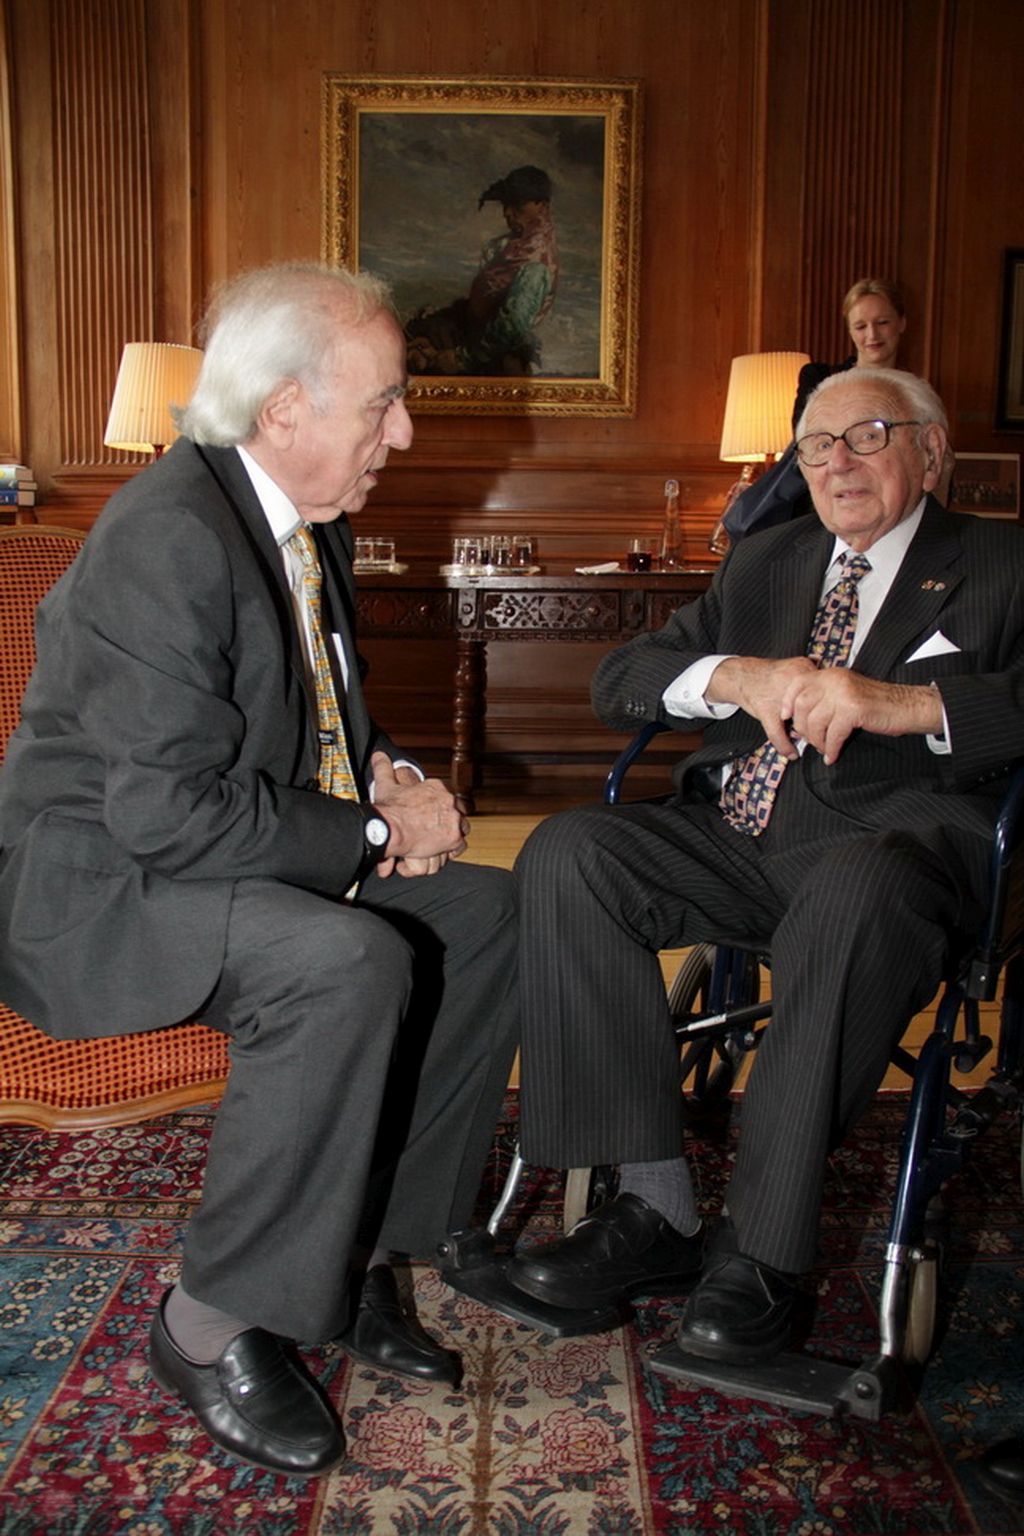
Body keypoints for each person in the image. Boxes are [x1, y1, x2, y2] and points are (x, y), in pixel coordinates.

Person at [0, 263, 518, 1476]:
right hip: (106, 894)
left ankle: (357, 1260)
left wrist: (383, 775)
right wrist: (380, 839)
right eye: (383, 402)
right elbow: (169, 813)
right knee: (344, 960)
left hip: (206, 851)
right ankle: (207, 1319)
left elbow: (309, 718)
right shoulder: (170, 536)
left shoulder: (291, 519)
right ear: (284, 408)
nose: (403, 430)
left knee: (490, 909)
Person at [506, 367, 1024, 1365]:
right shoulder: (768, 561)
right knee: (571, 849)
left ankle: (762, 1259)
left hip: (897, 851)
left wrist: (909, 705)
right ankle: (650, 1210)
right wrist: (735, 677)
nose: (836, 461)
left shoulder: (1002, 562)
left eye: (867, 434)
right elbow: (621, 682)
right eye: (815, 444)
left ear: (932, 450)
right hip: (738, 838)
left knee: (854, 884)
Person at [718, 277, 916, 548]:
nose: (872, 335)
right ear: (849, 329)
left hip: (892, 520)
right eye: (861, 326)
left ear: (901, 323)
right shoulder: (818, 379)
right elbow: (809, 448)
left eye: (882, 323)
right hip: (820, 517)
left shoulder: (916, 395)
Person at [404, 164, 558, 377]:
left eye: (517, 205)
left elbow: (510, 327)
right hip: (467, 335)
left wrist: (459, 358)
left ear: (542, 206)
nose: (507, 213)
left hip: (491, 359)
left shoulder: (537, 265)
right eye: (505, 205)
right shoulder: (501, 248)